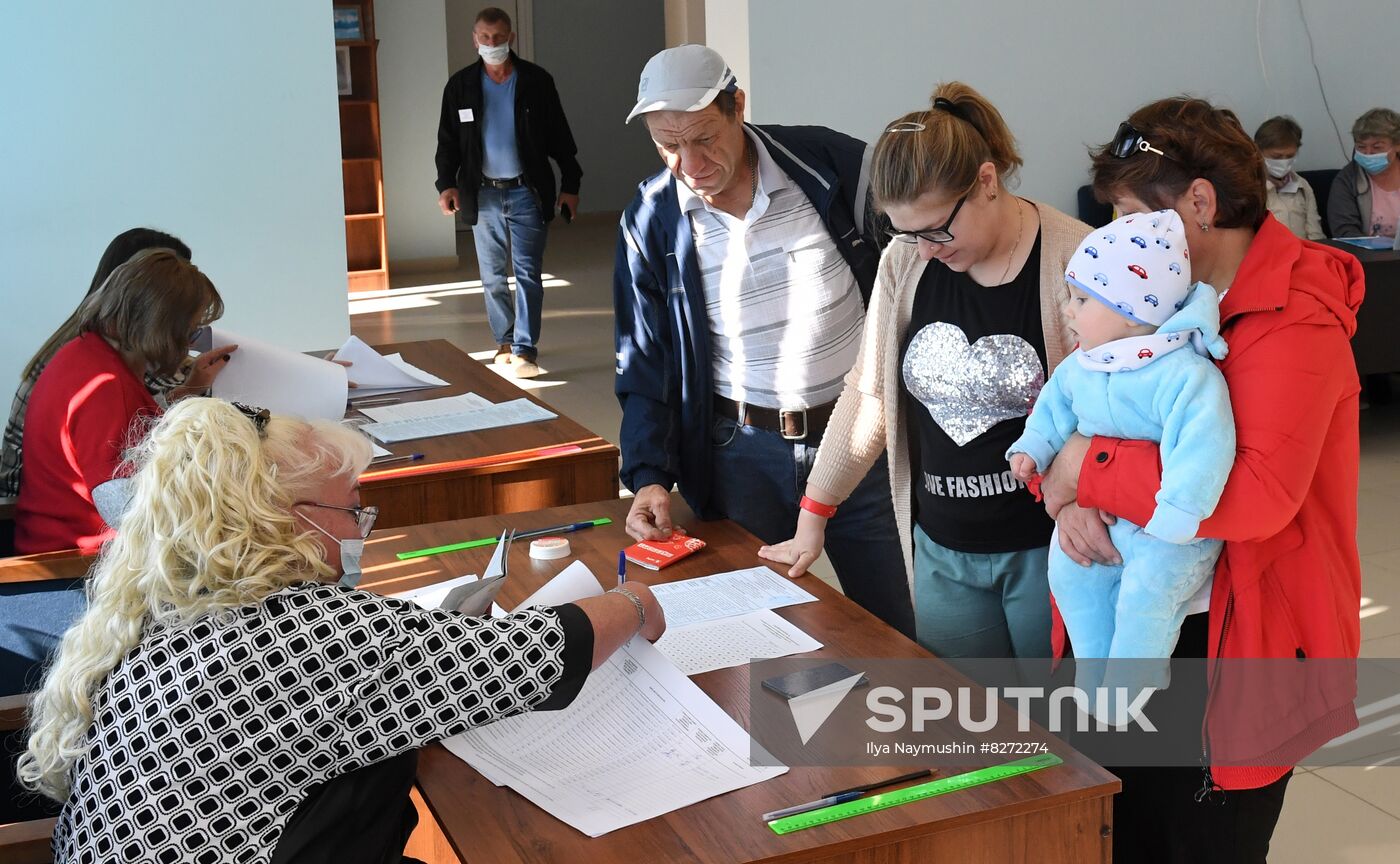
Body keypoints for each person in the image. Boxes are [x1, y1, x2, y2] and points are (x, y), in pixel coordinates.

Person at [18, 398, 666, 863]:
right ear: (287, 518)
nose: (363, 531)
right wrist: (635, 602)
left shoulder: (150, 605)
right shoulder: (314, 635)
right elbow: (544, 653)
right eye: (353, 510)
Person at [1042, 97, 1363, 862]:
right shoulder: (1156, 297)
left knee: (1197, 840)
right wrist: (1059, 490)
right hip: (1134, 607)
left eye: (1127, 212)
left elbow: (1252, 494)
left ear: (1200, 202)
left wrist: (1085, 465)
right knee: (1119, 834)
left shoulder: (1296, 316)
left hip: (1236, 644)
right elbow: (1075, 405)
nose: (1118, 236)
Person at [759, 83, 1091, 659]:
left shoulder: (1077, 257)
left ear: (986, 182)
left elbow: (1123, 403)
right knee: (966, 724)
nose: (927, 248)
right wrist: (815, 513)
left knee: (1056, 729)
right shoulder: (905, 262)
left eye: (937, 229)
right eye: (906, 232)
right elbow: (870, 397)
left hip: (1052, 546)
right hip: (943, 549)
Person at [614, 45, 914, 637]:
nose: (690, 163)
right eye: (669, 145)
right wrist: (649, 473)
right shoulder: (650, 218)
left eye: (704, 138)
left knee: (894, 626)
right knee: (748, 628)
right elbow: (643, 362)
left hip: (855, 439)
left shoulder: (827, 163)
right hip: (740, 452)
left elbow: (914, 261)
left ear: (738, 108)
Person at [1006, 210, 1234, 700]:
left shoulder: (1185, 374)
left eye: (1082, 299)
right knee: (1069, 573)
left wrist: (1178, 514)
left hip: (1167, 530)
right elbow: (1052, 410)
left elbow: (1204, 445)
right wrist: (1032, 448)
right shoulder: (1083, 365)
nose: (1068, 310)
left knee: (1146, 596)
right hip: (1103, 519)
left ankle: (1134, 681)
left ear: (1131, 311)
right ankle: (1093, 669)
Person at [15, 249, 231, 555]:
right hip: (79, 562)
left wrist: (188, 391)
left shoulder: (80, 353)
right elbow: (124, 507)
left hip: (46, 544)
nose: (190, 343)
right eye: (190, 330)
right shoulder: (107, 388)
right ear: (163, 329)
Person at [435, 6, 581, 379]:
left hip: (526, 192)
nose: (491, 44)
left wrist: (570, 185)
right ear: (475, 39)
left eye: (498, 38)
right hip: (481, 194)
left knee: (529, 272)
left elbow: (560, 137)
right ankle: (503, 341)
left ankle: (525, 348)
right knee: (492, 275)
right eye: (484, 37)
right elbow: (448, 141)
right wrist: (446, 184)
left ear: (511, 37)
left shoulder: (535, 81)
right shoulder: (461, 85)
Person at [1328, 107, 1400, 238]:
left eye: (1377, 147)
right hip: (1368, 257)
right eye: (1361, 147)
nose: (1368, 153)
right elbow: (1344, 231)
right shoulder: (1347, 180)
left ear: (1397, 145)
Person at [1253, 116, 1325, 240]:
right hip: (1267, 255)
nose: (1283, 162)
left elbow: (1315, 233)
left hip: (1303, 253)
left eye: (1290, 156)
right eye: (1276, 156)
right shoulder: (1249, 187)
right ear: (1258, 152)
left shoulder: (1303, 185)